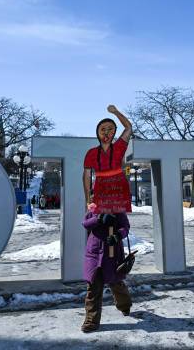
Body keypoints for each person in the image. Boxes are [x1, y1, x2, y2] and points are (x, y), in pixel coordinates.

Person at [81, 105, 133, 333]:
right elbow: (86, 222)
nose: (107, 132)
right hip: (95, 251)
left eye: (110, 128)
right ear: (97, 132)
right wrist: (97, 215)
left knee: (116, 283)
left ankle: (125, 304)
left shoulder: (119, 148)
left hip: (113, 251)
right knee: (93, 287)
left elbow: (125, 227)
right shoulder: (92, 154)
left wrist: (116, 112)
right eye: (103, 128)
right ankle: (91, 321)